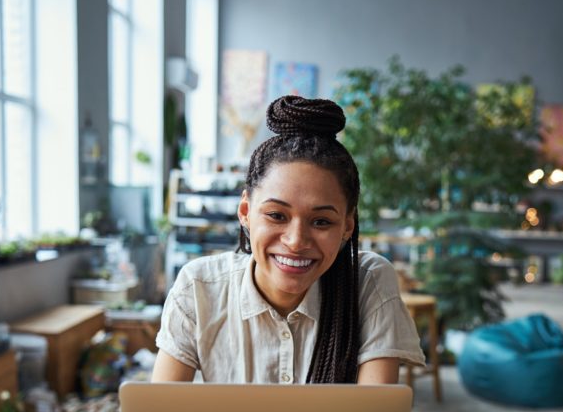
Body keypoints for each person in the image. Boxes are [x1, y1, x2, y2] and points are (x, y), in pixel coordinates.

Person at [152, 95, 425, 384]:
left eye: (321, 221)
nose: (296, 241)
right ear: (245, 212)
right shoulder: (198, 288)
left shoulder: (368, 282)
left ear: (347, 226)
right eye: (276, 215)